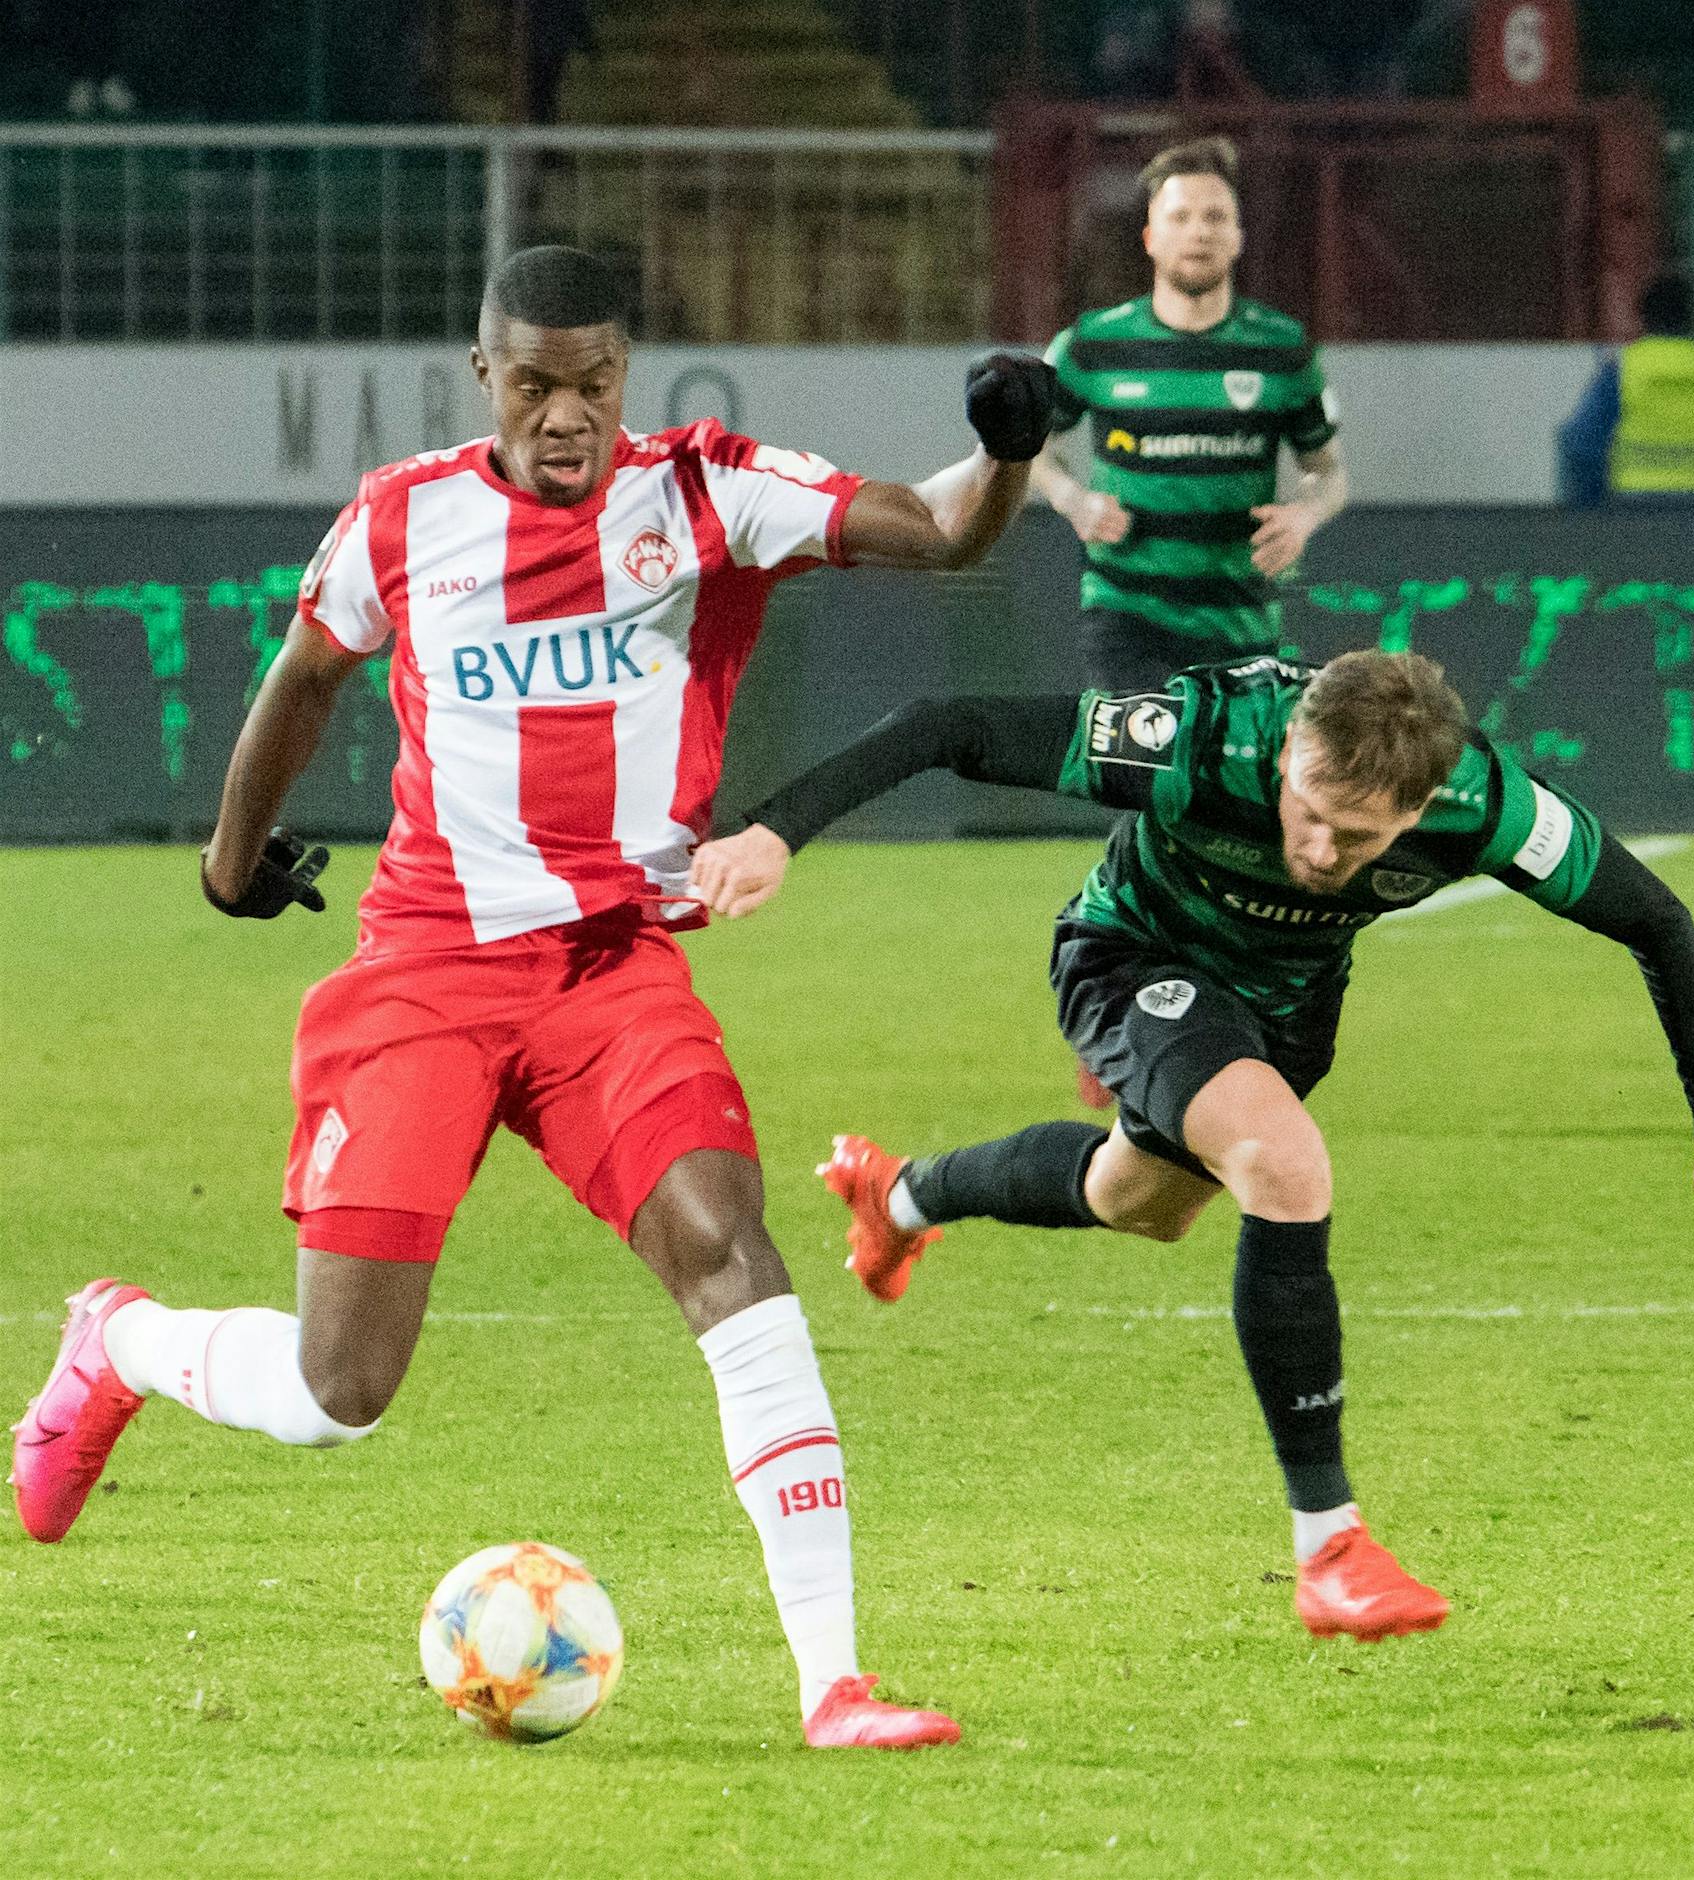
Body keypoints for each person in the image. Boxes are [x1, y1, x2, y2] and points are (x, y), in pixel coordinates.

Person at [9, 245, 1057, 1751]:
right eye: (539, 383)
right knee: (340, 1390)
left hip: (611, 974)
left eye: (598, 381)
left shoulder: (704, 493)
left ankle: (833, 1682)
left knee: (730, 1249)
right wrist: (229, 865)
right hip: (427, 972)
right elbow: (303, 680)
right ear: (484, 374)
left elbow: (945, 529)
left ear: (627, 372)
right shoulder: (404, 515)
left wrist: (1009, 452)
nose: (569, 413)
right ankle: (120, 1343)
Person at [683, 649, 1694, 1642]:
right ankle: (1329, 1546)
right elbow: (949, 723)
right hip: (1130, 958)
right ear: (1290, 754)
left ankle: (902, 1196)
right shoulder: (1204, 737)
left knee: (1139, 1199)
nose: (1318, 846)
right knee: (1284, 1162)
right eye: (1306, 805)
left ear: (1416, 813)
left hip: (1283, 1009)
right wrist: (776, 826)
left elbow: (1654, 920)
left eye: (1356, 834)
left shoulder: (1489, 805)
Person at [1032, 136, 1350, 695]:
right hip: (1127, 616)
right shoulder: (1091, 345)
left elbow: (1330, 473)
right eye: (1179, 217)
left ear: (1238, 239)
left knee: (1225, 783)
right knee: (1142, 770)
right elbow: (1027, 447)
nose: (1198, 231)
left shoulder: (1283, 351)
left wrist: (1304, 516)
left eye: (1215, 217)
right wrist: (1072, 499)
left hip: (1242, 626)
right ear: (1151, 238)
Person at [1559, 274, 1694, 509]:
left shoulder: (1622, 370)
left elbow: (1582, 444)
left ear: (1643, 318)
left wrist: (1595, 502)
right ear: (1690, 317)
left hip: (1632, 507)